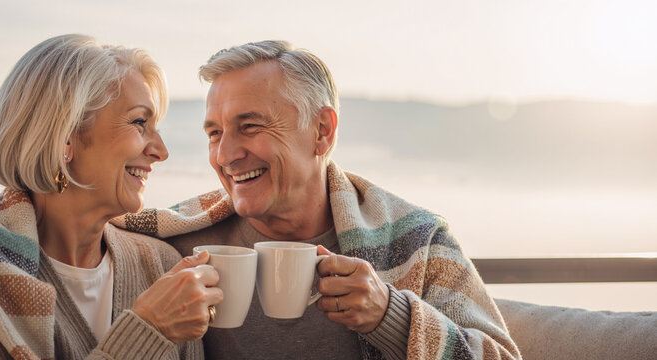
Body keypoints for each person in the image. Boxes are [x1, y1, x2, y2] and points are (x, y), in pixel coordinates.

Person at [113, 41, 521, 359]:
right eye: (215, 133)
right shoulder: (173, 244)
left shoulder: (416, 241)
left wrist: (391, 316)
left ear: (322, 131)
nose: (225, 155)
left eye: (250, 125)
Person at [0, 34, 222, 359]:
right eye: (139, 122)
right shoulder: (7, 286)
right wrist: (149, 331)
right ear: (64, 139)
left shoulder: (163, 268)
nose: (161, 151)